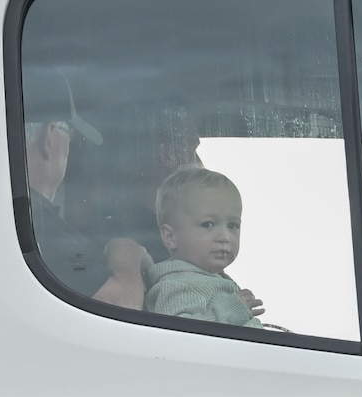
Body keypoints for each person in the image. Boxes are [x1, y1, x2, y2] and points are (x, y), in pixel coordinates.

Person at [21, 67, 148, 308]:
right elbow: (118, 306)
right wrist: (127, 253)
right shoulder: (38, 223)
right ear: (49, 137)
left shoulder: (11, 214)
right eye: (71, 136)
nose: (70, 150)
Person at [144, 165, 266, 327]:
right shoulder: (177, 285)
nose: (225, 237)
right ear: (171, 237)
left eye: (232, 225)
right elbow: (179, 336)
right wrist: (233, 310)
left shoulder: (208, 280)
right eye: (208, 224)